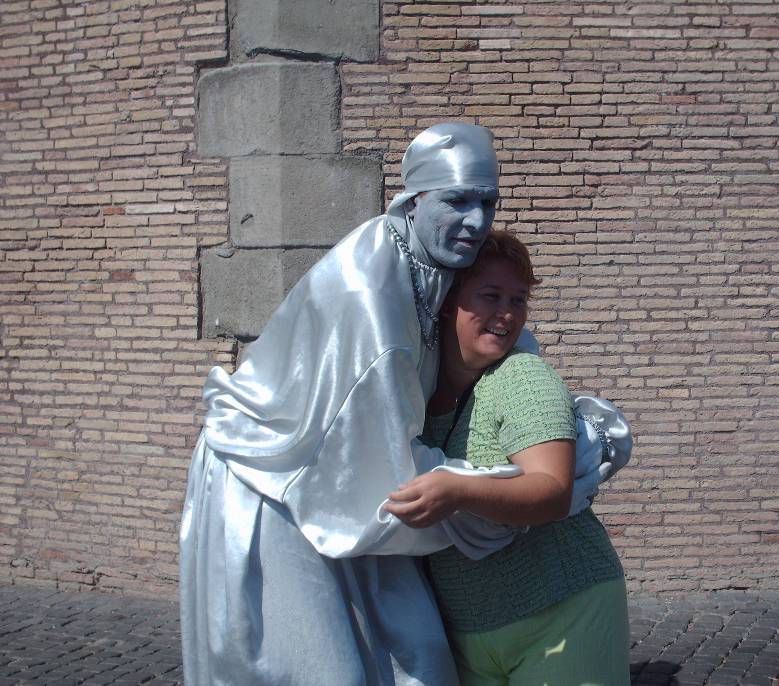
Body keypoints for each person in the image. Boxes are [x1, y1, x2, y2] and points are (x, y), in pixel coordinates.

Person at [179, 123, 619, 686]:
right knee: (325, 668)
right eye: (457, 201)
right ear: (413, 200)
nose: (476, 222)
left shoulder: (440, 265)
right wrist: (520, 493)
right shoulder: (370, 297)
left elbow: (510, 350)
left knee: (417, 652)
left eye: (488, 203)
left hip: (356, 484)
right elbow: (389, 484)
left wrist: (561, 443)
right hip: (275, 485)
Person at [385, 230, 630, 686]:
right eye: (491, 296)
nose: (507, 313)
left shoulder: (522, 378)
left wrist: (457, 491)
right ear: (448, 301)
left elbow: (551, 492)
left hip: (563, 610)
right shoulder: (415, 395)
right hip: (468, 631)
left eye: (518, 300)